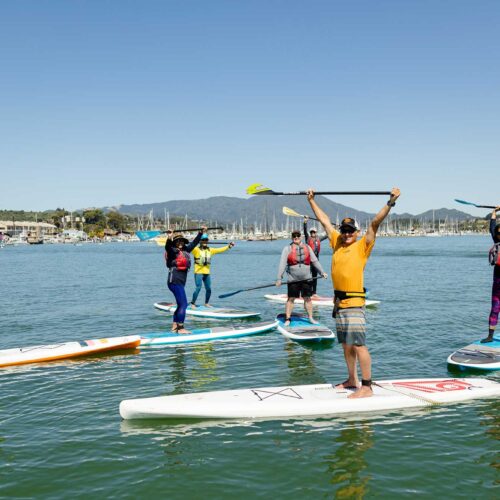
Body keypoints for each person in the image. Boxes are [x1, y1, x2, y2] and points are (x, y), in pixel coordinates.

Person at [308, 187, 401, 398]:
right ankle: (352, 379)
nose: (347, 234)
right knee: (346, 345)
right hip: (339, 304)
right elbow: (323, 220)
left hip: (355, 304)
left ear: (356, 232)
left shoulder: (362, 246)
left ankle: (367, 386)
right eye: (345, 230)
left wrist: (391, 202)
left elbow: (375, 223)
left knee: (359, 345)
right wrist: (311, 200)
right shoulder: (336, 243)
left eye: (351, 231)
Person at [276, 230, 328, 326]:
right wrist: (279, 278)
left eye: (298, 235)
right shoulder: (287, 249)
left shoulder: (307, 247)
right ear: (292, 237)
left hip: (306, 278)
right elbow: (282, 264)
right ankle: (288, 318)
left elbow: (315, 261)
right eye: (294, 236)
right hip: (293, 279)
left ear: (301, 237)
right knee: (291, 299)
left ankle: (311, 318)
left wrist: (322, 272)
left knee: (307, 298)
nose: (296, 237)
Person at [164, 226, 206, 333]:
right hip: (174, 281)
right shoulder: (172, 251)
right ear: (175, 243)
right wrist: (169, 237)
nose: (180, 243)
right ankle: (181, 328)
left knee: (180, 304)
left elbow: (194, 243)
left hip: (181, 282)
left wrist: (200, 233)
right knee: (183, 304)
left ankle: (174, 326)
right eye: (178, 241)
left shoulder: (186, 250)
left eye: (182, 241)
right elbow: (167, 246)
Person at [190, 235, 235, 308]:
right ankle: (193, 303)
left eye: (206, 240)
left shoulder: (210, 250)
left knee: (209, 289)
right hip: (198, 272)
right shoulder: (195, 250)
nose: (205, 241)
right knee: (198, 287)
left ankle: (206, 303)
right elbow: (189, 246)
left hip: (207, 273)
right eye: (203, 240)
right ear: (200, 241)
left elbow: (220, 249)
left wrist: (229, 246)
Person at [483, 206, 500, 343]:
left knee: (495, 307)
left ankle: (490, 336)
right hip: (498, 282)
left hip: (497, 280)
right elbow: (493, 226)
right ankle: (490, 336)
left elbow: (492, 225)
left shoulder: (496, 239)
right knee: (495, 307)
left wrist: (495, 211)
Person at [303, 216, 329, 296]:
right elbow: (305, 231)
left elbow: (328, 234)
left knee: (315, 277)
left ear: (316, 233)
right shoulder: (308, 239)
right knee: (309, 277)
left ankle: (314, 292)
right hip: (308, 261)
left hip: (316, 260)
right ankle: (308, 292)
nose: (312, 233)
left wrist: (334, 228)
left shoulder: (319, 239)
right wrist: (305, 222)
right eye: (311, 232)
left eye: (314, 232)